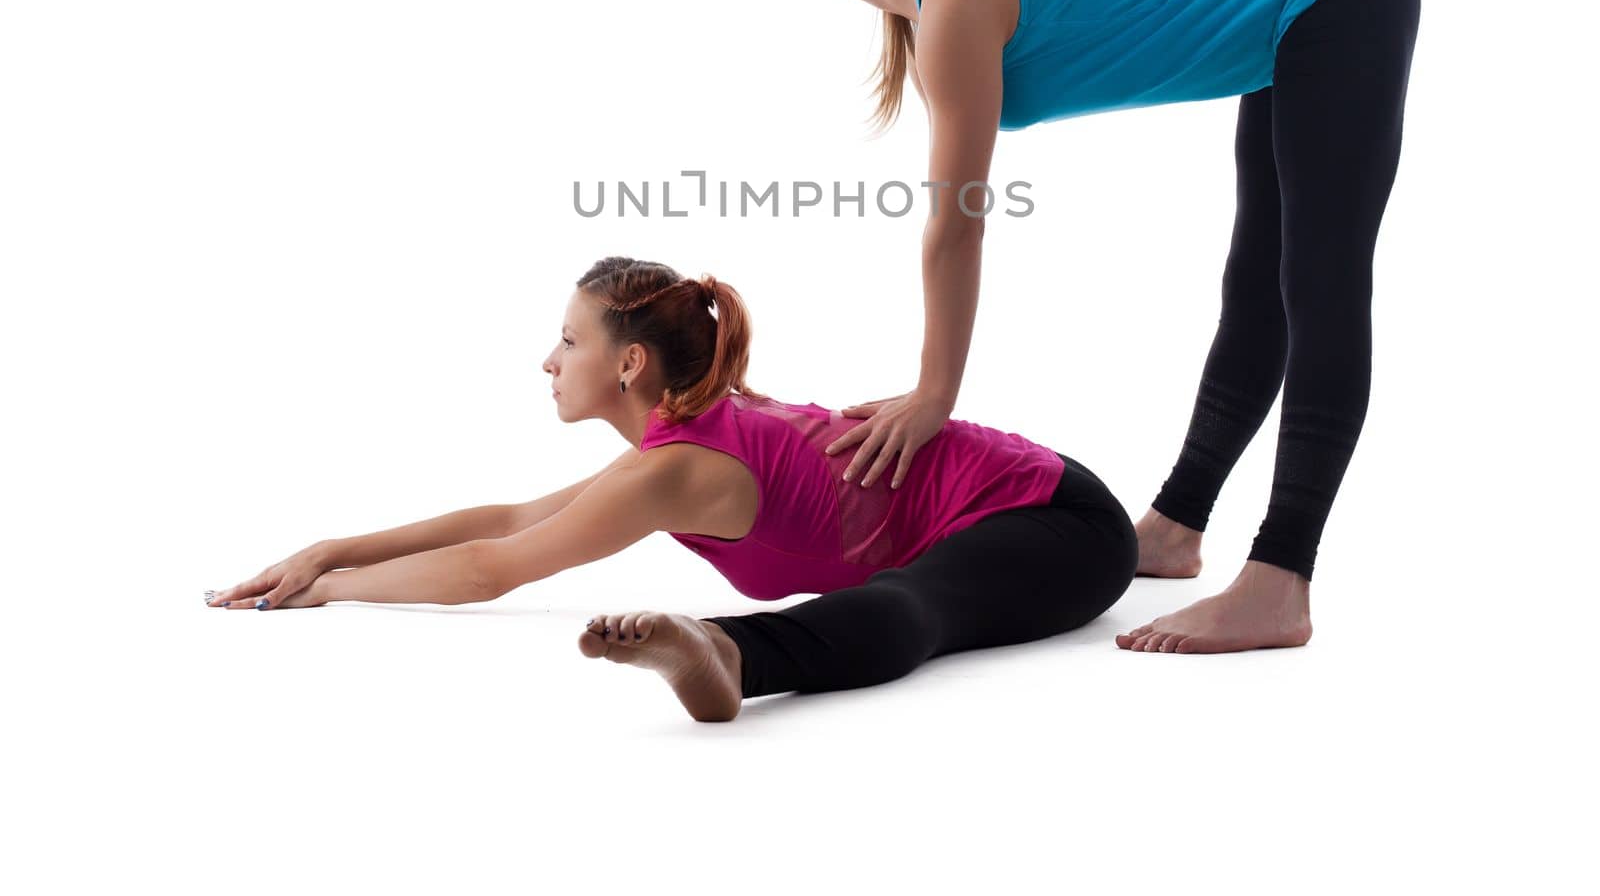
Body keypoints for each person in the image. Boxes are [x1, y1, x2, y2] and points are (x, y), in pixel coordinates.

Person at [761, 0, 1421, 654]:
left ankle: (1280, 578)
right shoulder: (935, 4)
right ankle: (1178, 528)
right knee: (1257, 289)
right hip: (1292, 14)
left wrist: (935, 393)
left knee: (1318, 282)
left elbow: (957, 224)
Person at [204, 256, 1139, 723]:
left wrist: (328, 594)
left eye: (569, 342)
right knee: (906, 592)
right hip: (1029, 516)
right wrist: (332, 550)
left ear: (630, 364)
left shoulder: (675, 468)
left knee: (910, 606)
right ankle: (731, 654)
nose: (548, 359)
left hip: (1056, 524)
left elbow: (492, 568)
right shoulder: (676, 439)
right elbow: (515, 518)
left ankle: (732, 657)